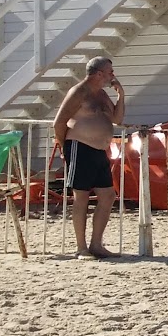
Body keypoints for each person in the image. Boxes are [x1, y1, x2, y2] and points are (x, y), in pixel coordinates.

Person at [53, 56, 125, 259]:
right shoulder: (79, 92)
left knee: (108, 195)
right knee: (81, 196)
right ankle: (81, 247)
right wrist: (64, 147)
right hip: (79, 147)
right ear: (99, 73)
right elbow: (59, 122)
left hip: (99, 150)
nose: (113, 75)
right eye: (110, 72)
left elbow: (117, 119)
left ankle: (96, 244)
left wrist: (121, 95)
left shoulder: (101, 94)